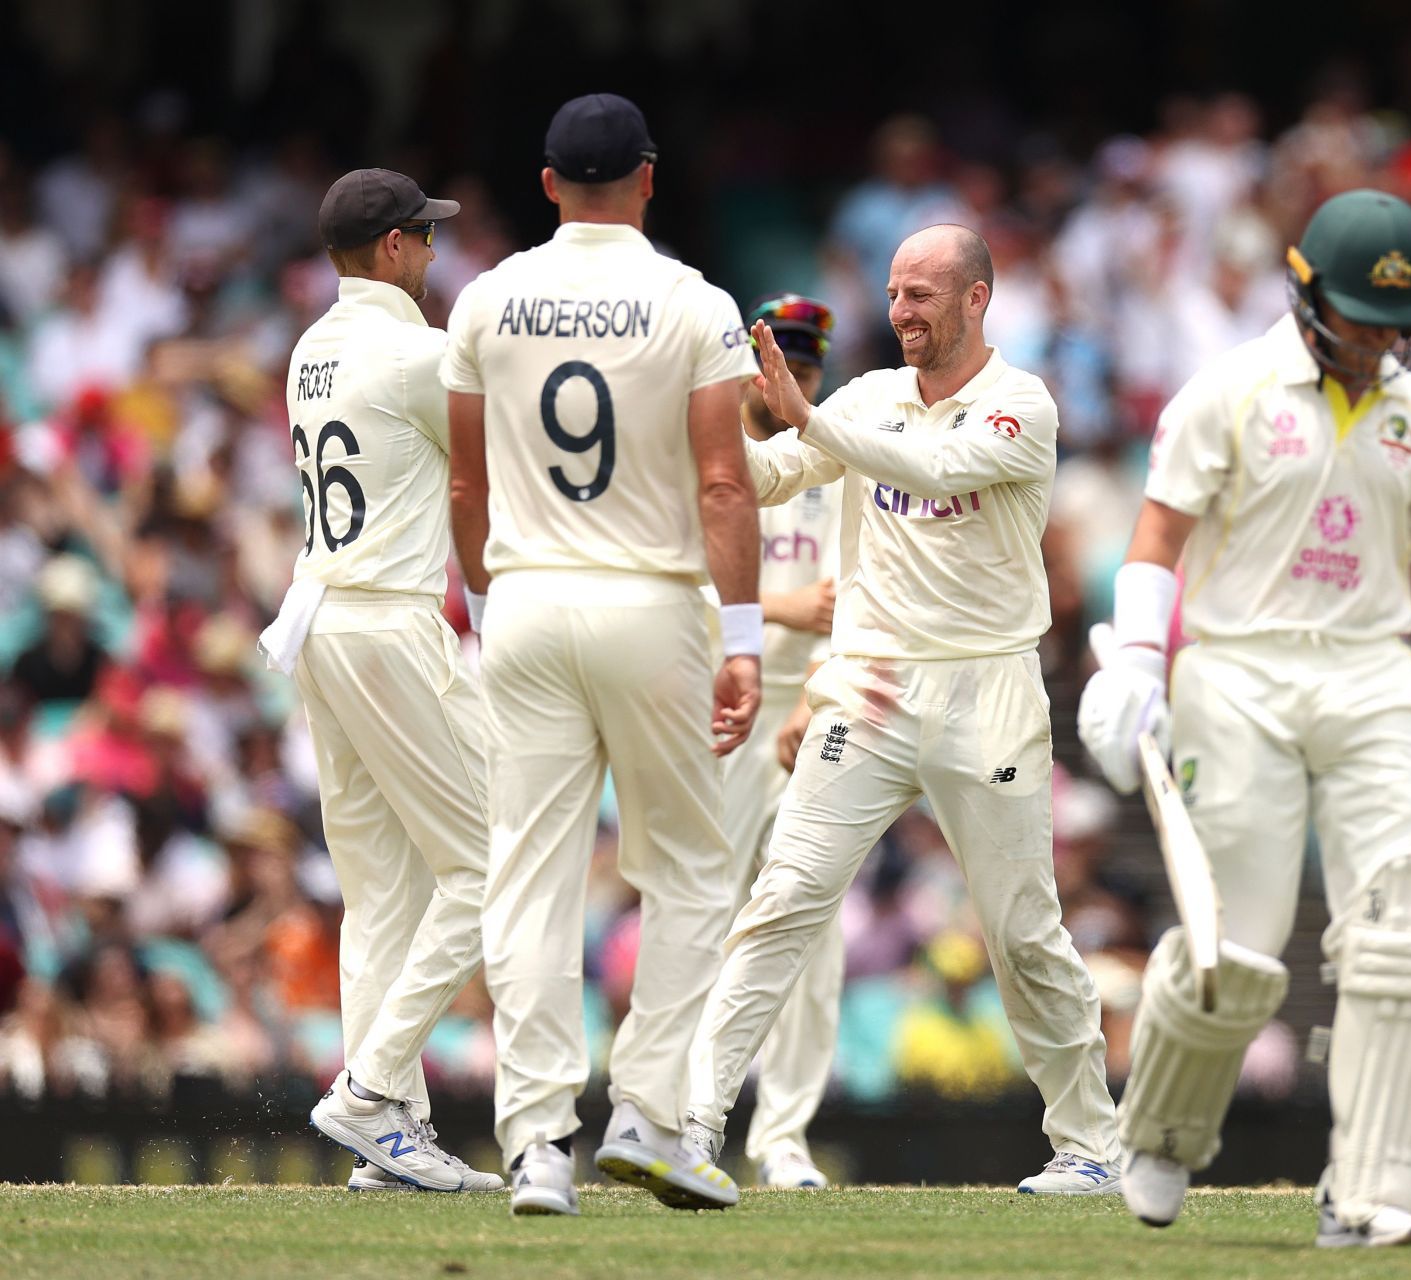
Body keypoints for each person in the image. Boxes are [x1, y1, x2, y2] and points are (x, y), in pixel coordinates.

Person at [1076, 189, 1411, 1243]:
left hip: (1373, 675)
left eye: (1395, 325)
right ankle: (1161, 1132)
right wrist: (1140, 658)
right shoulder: (1230, 390)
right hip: (1239, 671)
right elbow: (1156, 535)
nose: (1378, 343)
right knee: (1234, 941)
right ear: (1303, 293)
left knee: (1405, 927)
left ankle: (1369, 1187)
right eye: (1360, 320)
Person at [691, 224, 1124, 1195]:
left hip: (990, 689)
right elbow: (766, 480)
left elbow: (932, 469)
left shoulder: (1022, 405)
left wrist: (807, 415)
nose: (900, 312)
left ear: (977, 300)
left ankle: (1092, 1142)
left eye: (922, 294)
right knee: (786, 896)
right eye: (893, 293)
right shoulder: (864, 396)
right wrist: (710, 426)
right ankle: (692, 1122)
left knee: (1021, 927)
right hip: (873, 682)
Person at [440, 93, 763, 1218]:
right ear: (649, 178)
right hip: (651, 600)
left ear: (544, 185)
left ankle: (536, 1147)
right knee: (690, 869)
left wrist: (490, 605)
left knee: (528, 878)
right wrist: (745, 636)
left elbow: (465, 486)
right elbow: (724, 482)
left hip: (525, 598)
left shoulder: (485, 298)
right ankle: (649, 1115)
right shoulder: (692, 300)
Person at [262, 168, 499, 1193]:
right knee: (496, 863)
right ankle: (370, 1088)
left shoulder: (310, 350)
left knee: (380, 893)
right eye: (427, 237)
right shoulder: (416, 352)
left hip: (318, 617)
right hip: (388, 620)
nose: (437, 253)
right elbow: (494, 466)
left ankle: (390, 1135)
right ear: (395, 248)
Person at [685, 292, 845, 1190]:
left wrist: (819, 689)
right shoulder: (713, 456)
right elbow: (673, 583)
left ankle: (782, 1137)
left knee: (811, 926)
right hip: (721, 704)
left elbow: (865, 590)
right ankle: (677, 1115)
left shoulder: (837, 455)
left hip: (818, 707)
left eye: (807, 367)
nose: (788, 377)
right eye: (777, 359)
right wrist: (779, 608)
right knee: (704, 912)